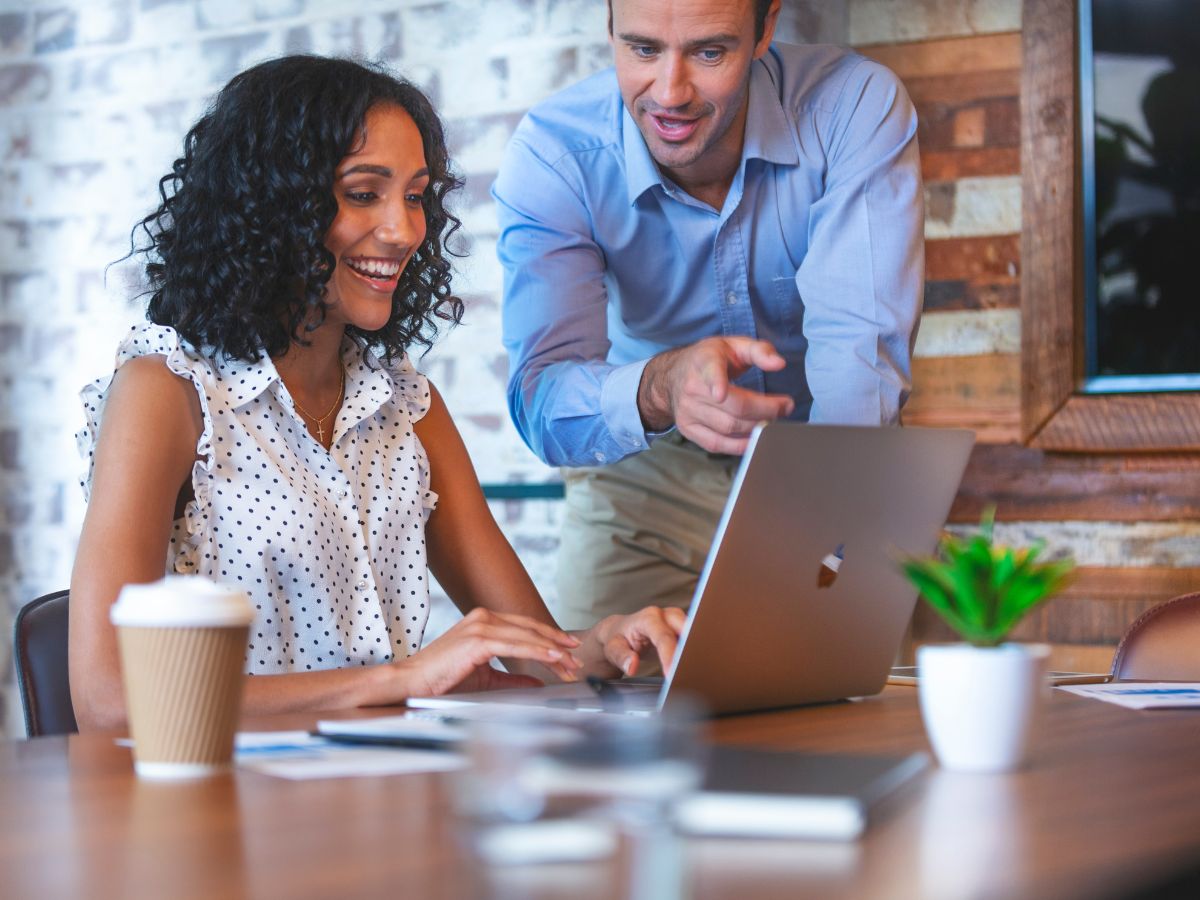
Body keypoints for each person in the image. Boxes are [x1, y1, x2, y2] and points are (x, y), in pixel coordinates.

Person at [70, 55, 683, 732]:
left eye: (416, 196)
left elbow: (541, 656)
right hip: (227, 810)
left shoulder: (406, 406)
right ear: (275, 207)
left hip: (376, 796)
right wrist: (401, 681)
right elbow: (110, 699)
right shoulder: (167, 391)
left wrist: (605, 646)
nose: (403, 230)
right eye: (364, 193)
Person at [495, 0, 924, 629]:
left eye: (709, 52)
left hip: (826, 454)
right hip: (645, 477)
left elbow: (860, 364)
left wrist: (832, 551)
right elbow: (544, 403)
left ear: (765, 28)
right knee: (606, 709)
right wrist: (663, 385)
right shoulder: (556, 156)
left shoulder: (853, 106)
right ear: (609, 28)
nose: (670, 93)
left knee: (855, 709)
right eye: (642, 49)